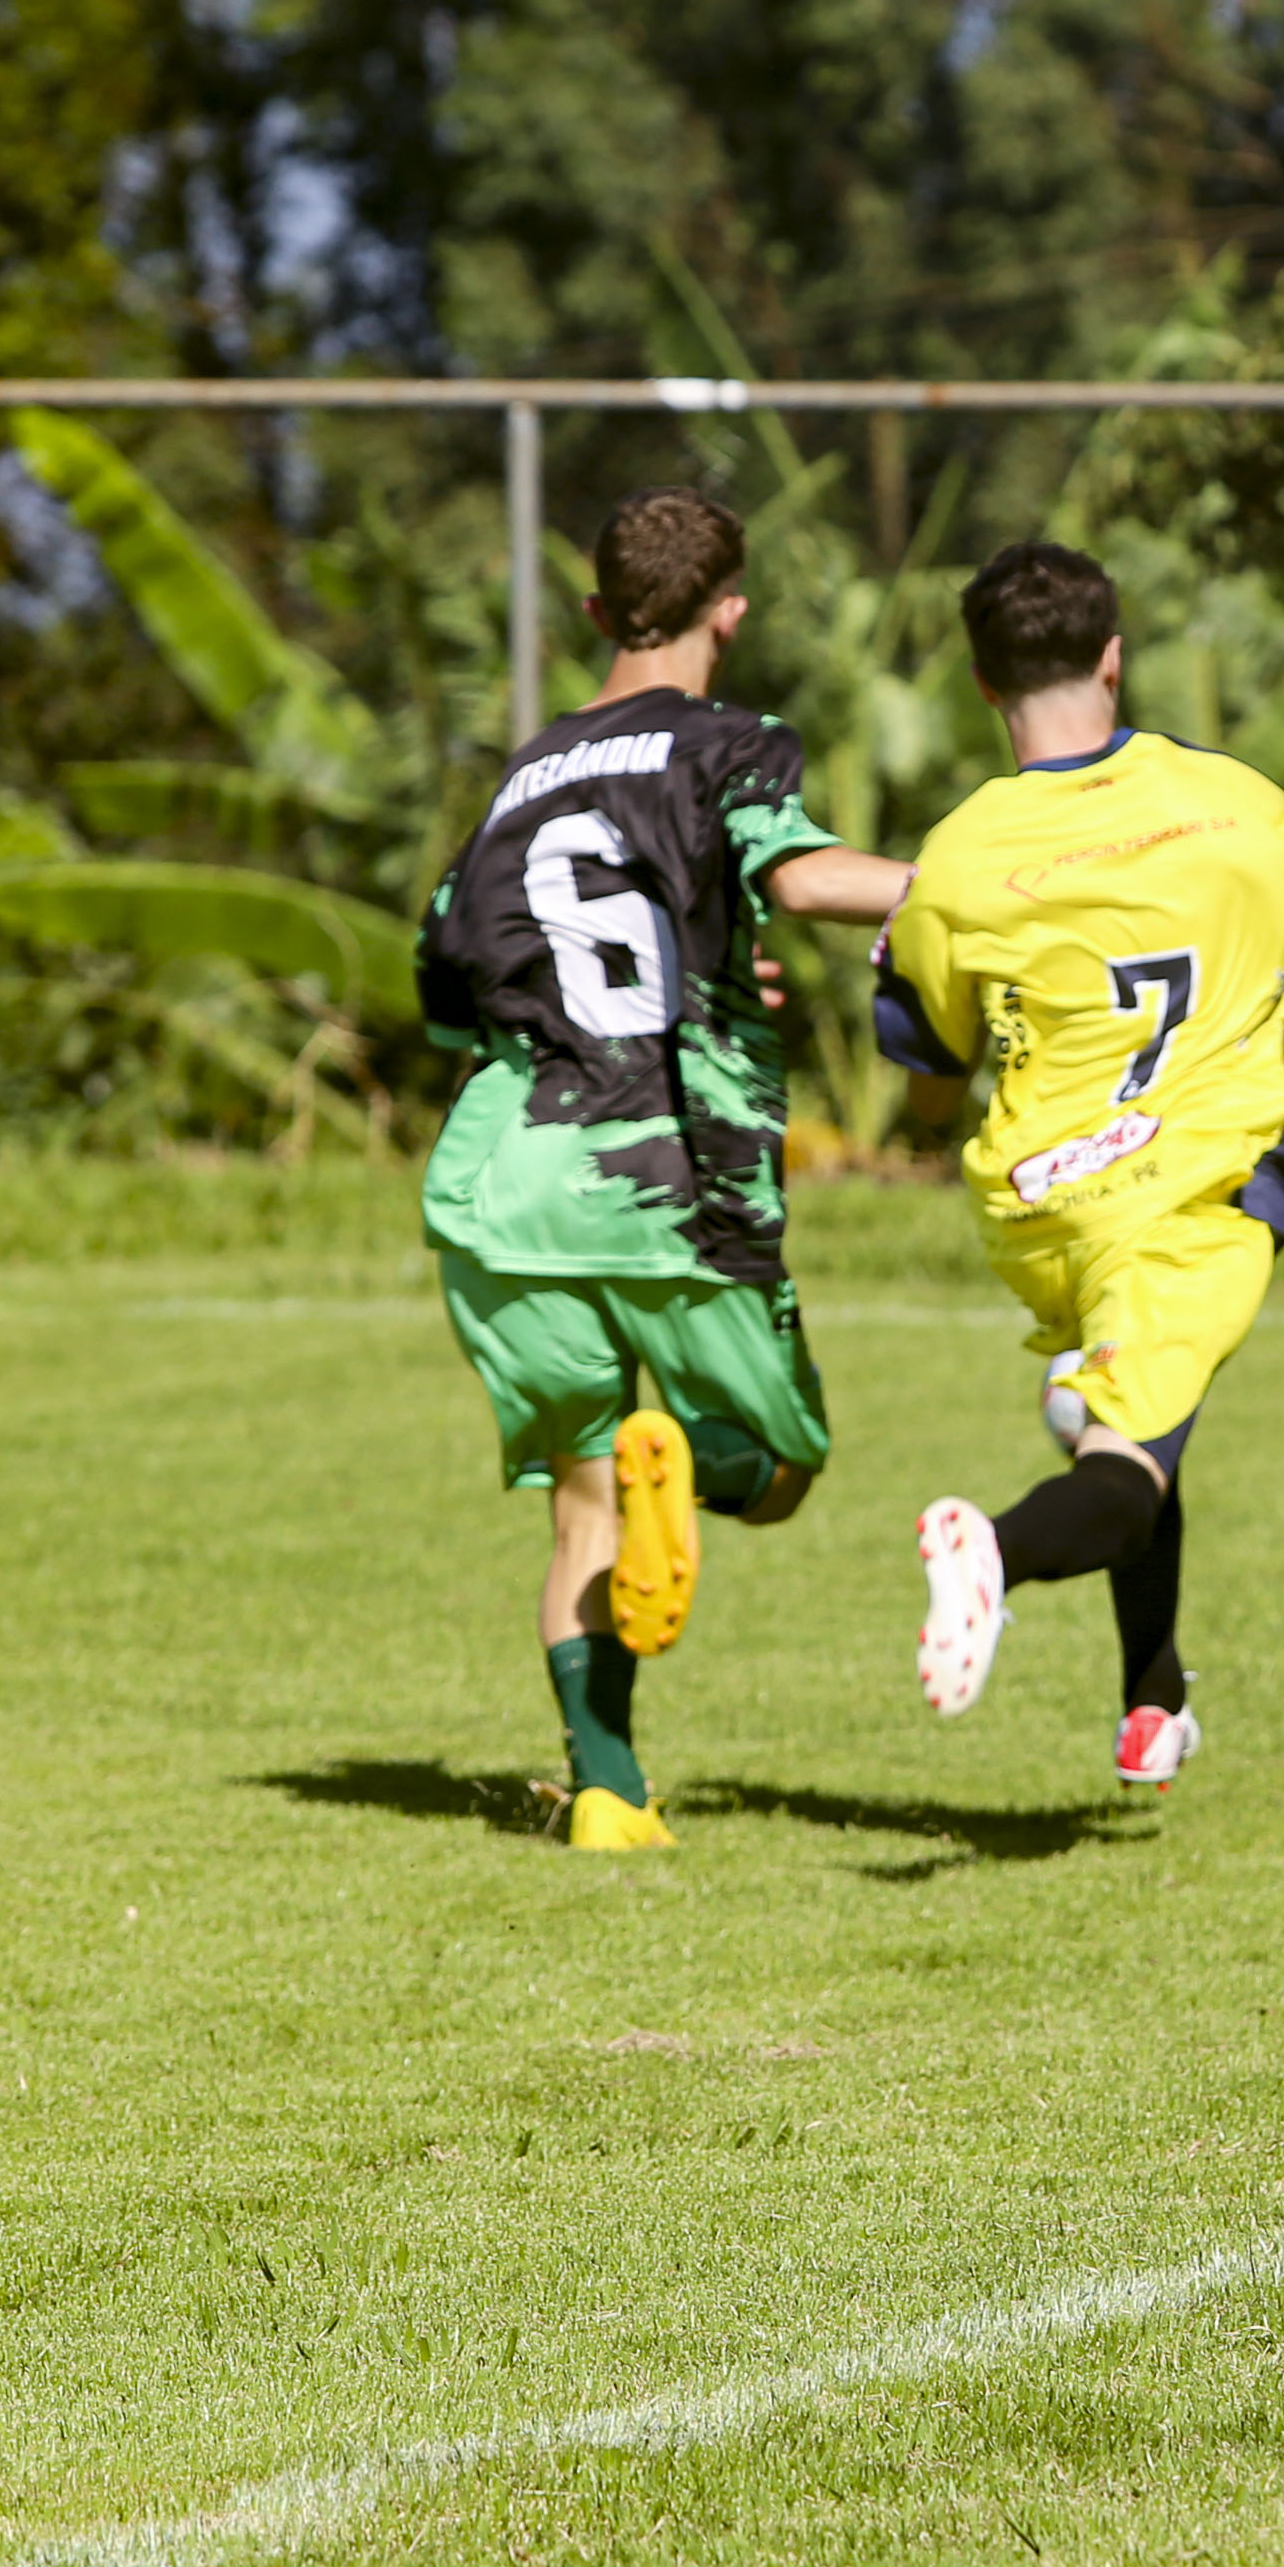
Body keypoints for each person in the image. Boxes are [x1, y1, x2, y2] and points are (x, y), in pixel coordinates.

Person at [415, 486, 916, 1851]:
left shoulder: (517, 783)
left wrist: (688, 961)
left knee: (584, 1497)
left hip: (504, 1182)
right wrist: (967, 884)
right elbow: (804, 881)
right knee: (782, 1464)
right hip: (667, 1177)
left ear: (594, 616)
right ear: (731, 609)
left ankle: (606, 1794)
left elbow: (450, 994)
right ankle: (684, 1475)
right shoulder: (730, 744)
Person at [875, 539, 1284, 1784]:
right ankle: (992, 1555)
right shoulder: (1231, 803)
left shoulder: (959, 857)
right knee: (1121, 1462)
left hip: (1042, 1207)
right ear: (1115, 660)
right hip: (1192, 1193)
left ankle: (1152, 1698)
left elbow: (929, 1055)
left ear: (979, 683)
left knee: (1127, 1420)